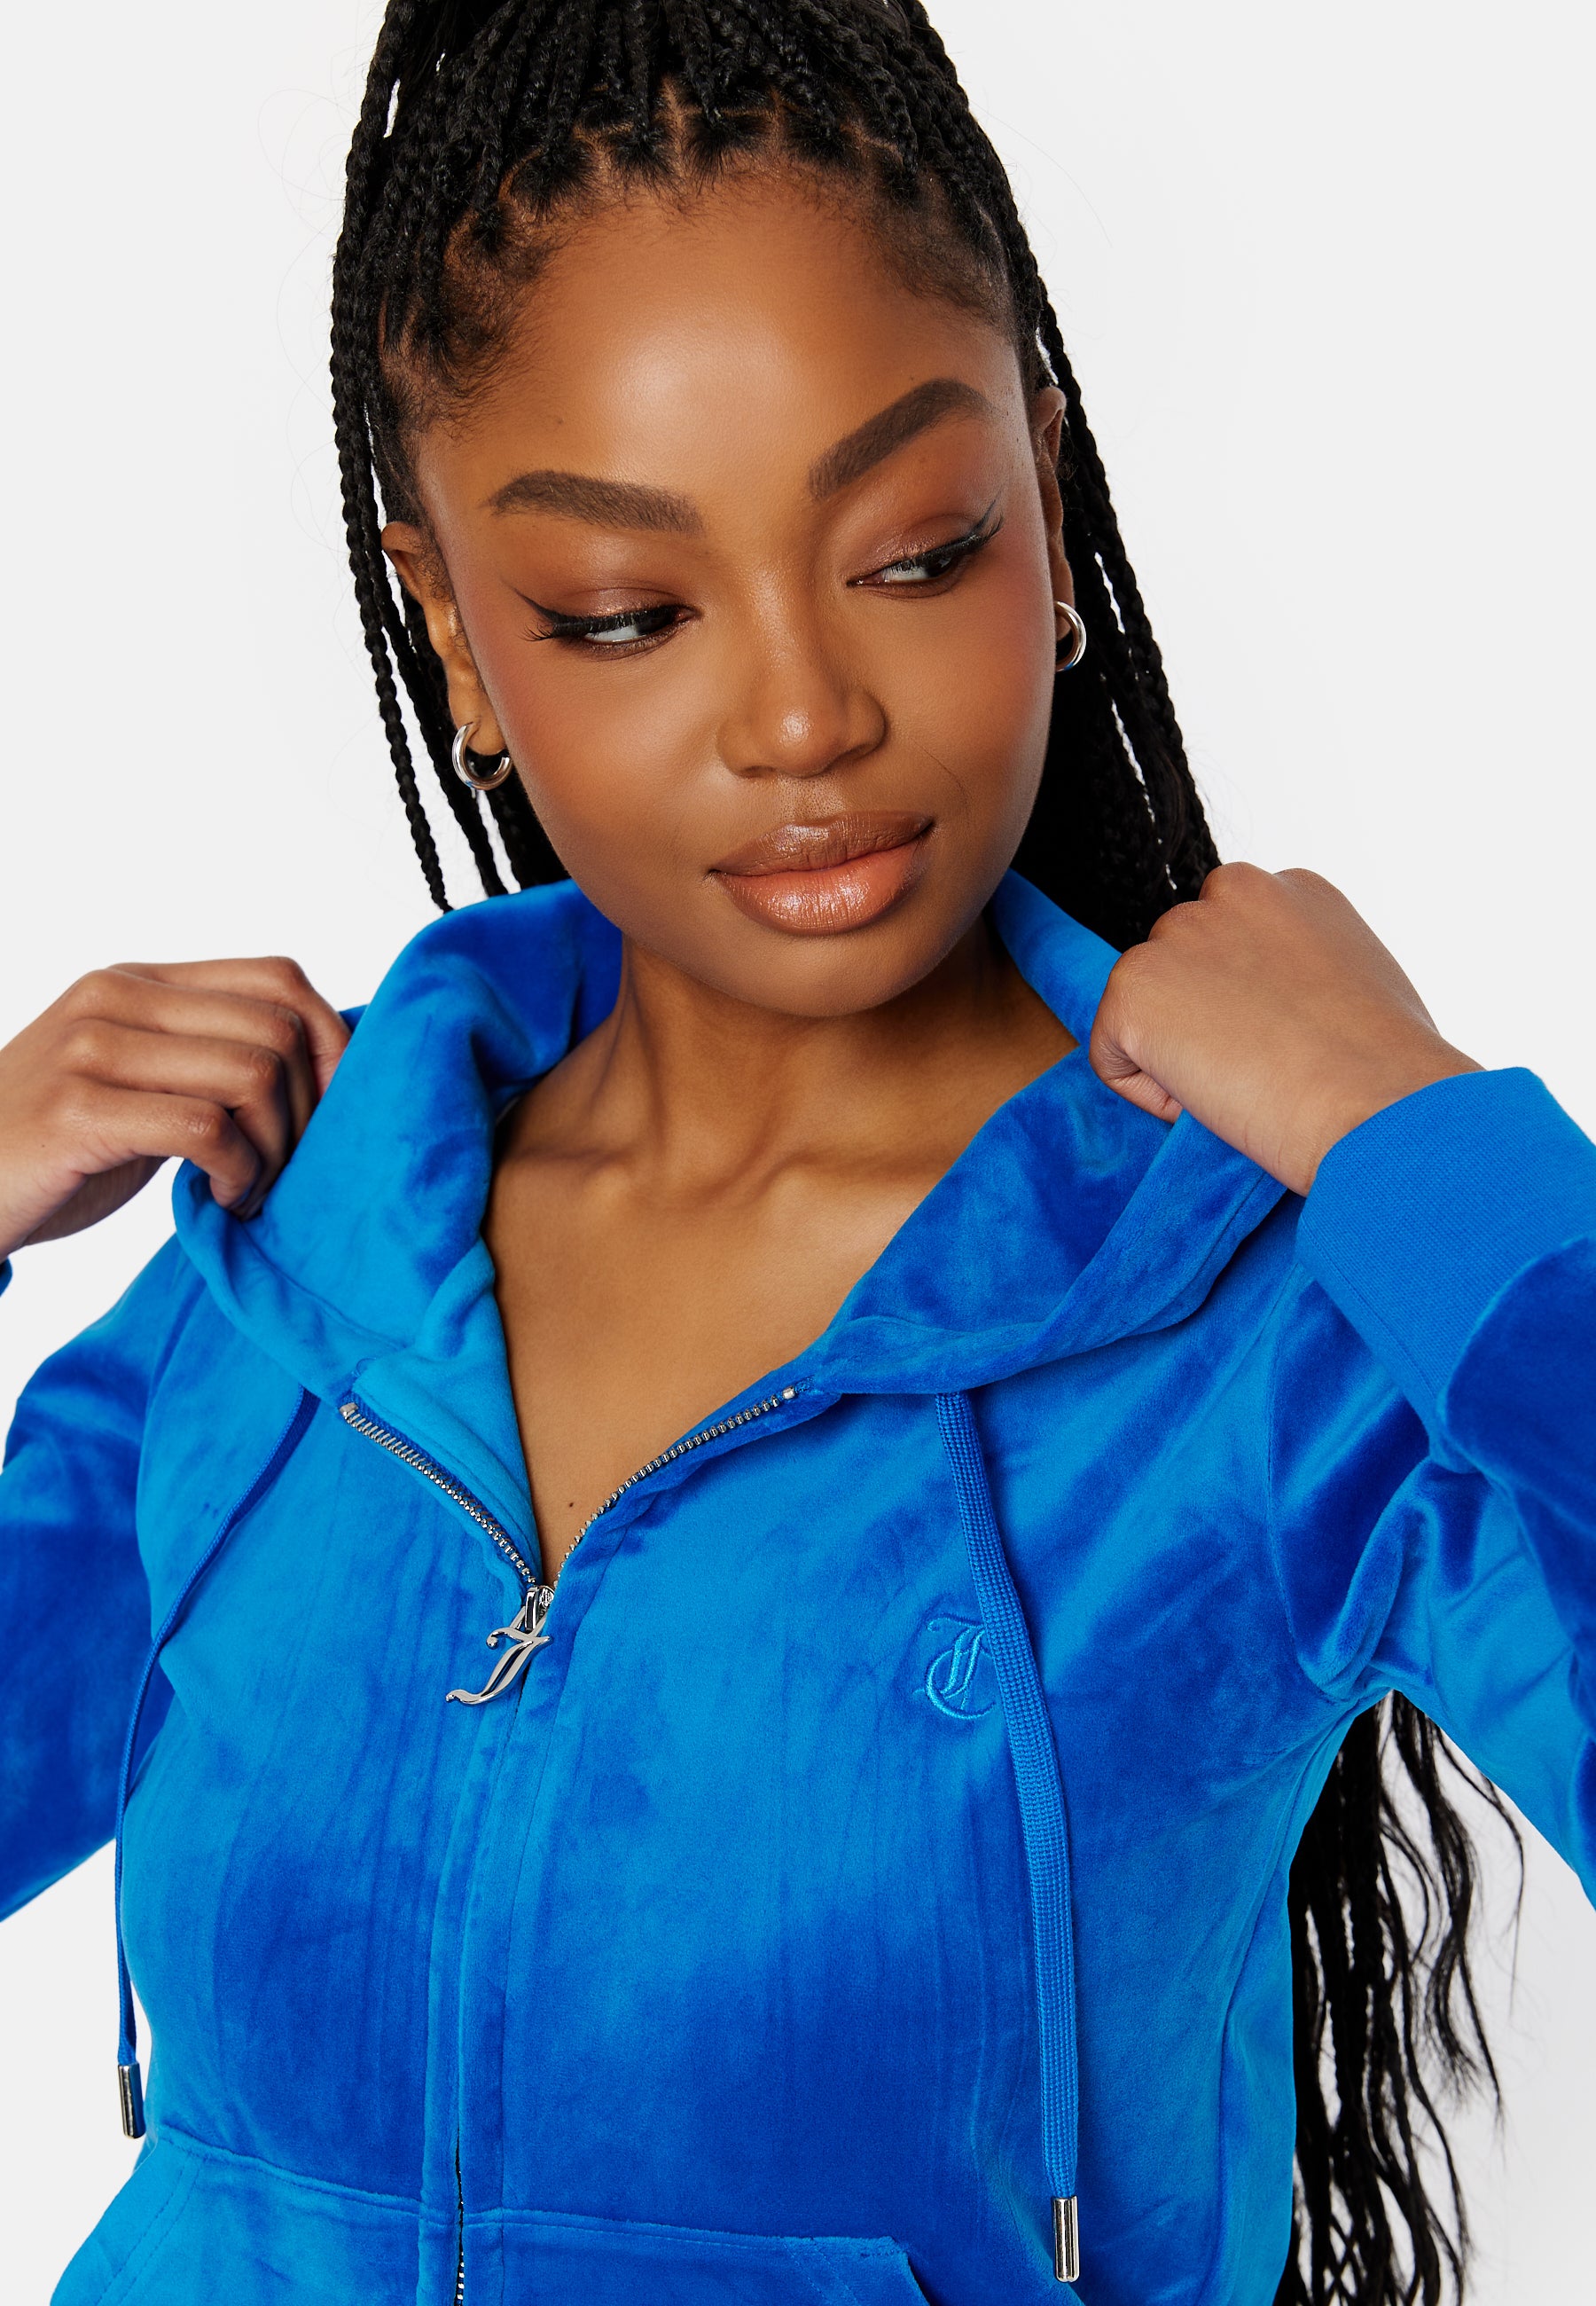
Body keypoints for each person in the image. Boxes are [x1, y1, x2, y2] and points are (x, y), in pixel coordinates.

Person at [0, 3, 1590, 2302]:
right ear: (457, 636)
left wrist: (1424, 1147)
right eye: (627, 614)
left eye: (918, 554)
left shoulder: (1274, 1333)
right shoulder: (287, 1273)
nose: (803, 714)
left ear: (1049, 507)